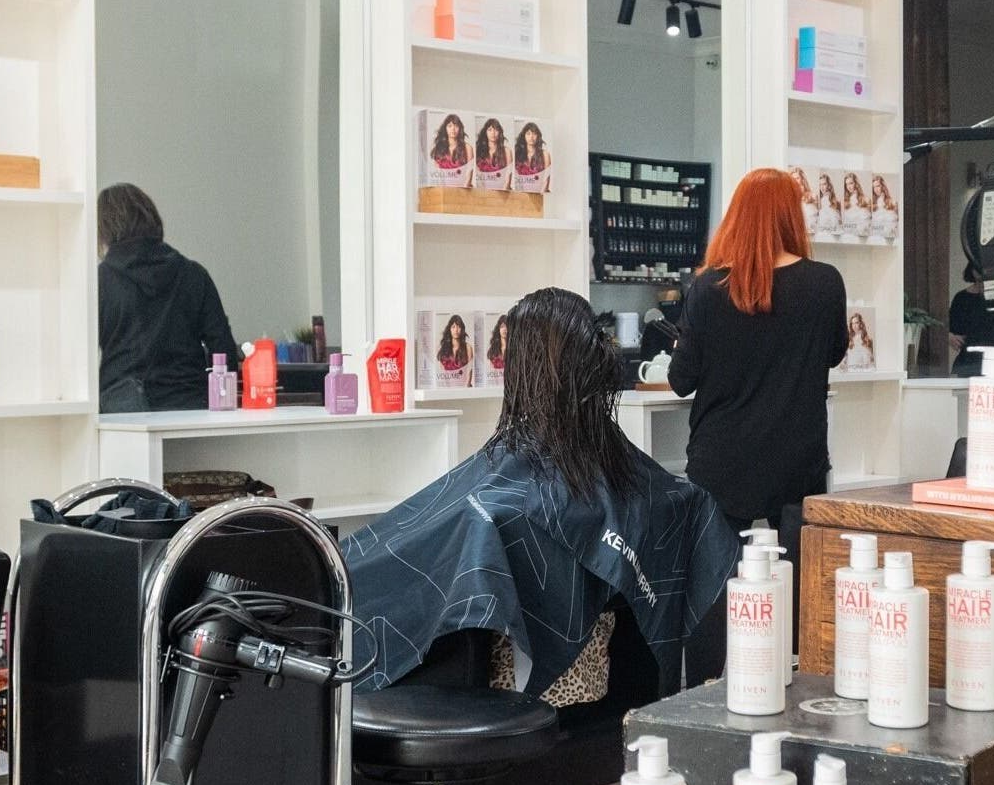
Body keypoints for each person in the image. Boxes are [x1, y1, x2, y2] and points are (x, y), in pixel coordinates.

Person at [344, 287, 735, 700]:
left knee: (356, 576)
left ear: (524, 367)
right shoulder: (622, 474)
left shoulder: (498, 506)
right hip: (613, 689)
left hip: (520, 693)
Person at [669, 166, 849, 535]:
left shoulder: (709, 287)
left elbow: (680, 381)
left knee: (716, 584)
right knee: (801, 582)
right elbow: (833, 353)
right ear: (791, 216)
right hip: (799, 461)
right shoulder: (825, 283)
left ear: (737, 216)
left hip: (722, 460)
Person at [97, 182, 237, 412]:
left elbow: (79, 358)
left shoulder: (101, 281)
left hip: (123, 411)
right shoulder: (194, 274)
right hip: (190, 407)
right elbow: (223, 350)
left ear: (105, 228)